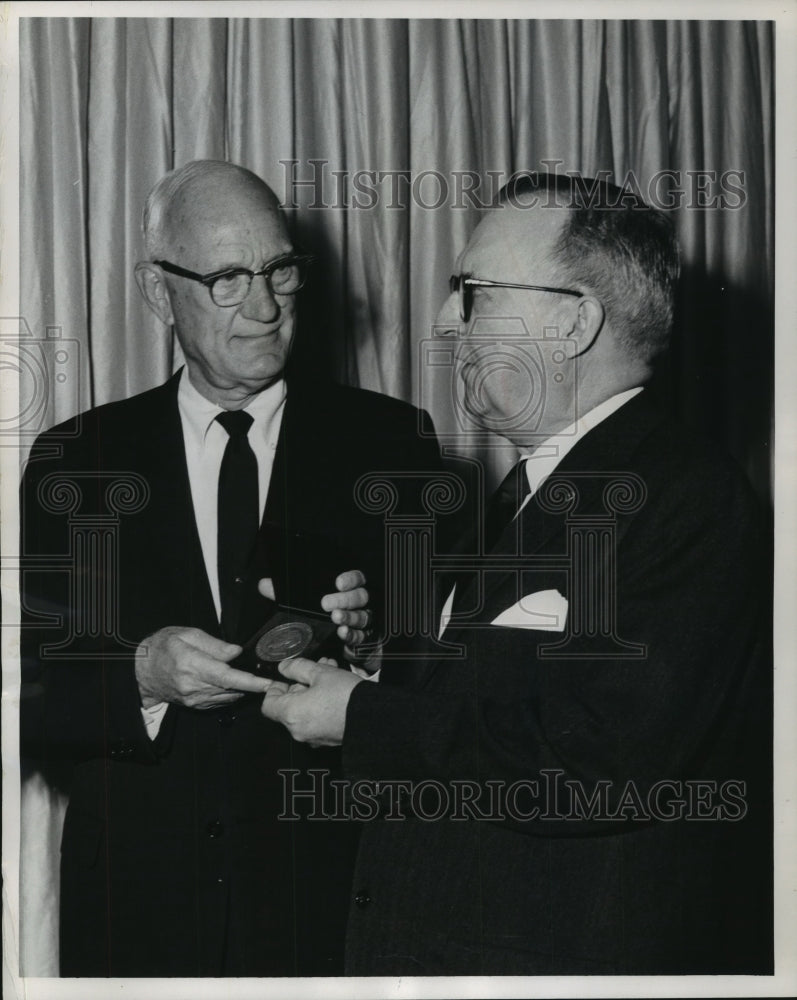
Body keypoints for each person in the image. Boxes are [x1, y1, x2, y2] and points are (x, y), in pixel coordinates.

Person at [260, 173, 773, 975]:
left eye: (473, 293)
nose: (444, 320)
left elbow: (603, 763)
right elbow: (504, 695)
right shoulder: (515, 495)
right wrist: (381, 665)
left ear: (572, 322)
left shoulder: (686, 498)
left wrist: (363, 718)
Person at [20, 159, 442, 976]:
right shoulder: (77, 460)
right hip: (136, 919)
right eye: (226, 279)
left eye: (280, 269)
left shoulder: (394, 445)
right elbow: (29, 699)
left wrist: (374, 653)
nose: (265, 306)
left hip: (328, 907)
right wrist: (141, 676)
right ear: (157, 292)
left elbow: (453, 695)